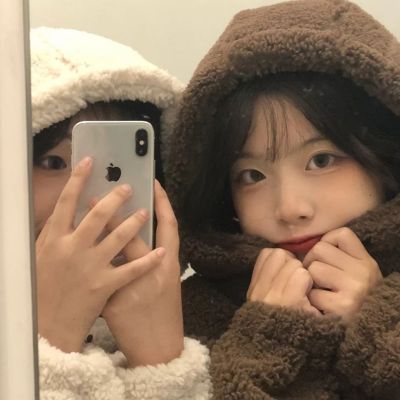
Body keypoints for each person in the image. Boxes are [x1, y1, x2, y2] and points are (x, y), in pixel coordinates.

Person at [167, 1, 400, 399]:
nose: (290, 209)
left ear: (385, 157)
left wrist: (379, 324)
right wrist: (263, 340)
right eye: (252, 175)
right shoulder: (188, 318)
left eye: (321, 160)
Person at [31, 27, 211, 399]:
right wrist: (49, 338)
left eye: (112, 168)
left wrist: (162, 363)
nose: (87, 197)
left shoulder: (202, 316)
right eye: (53, 162)